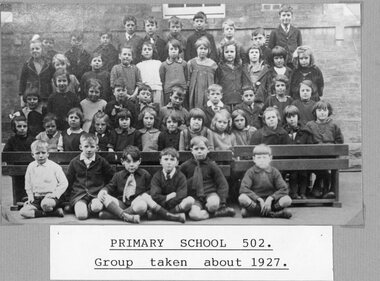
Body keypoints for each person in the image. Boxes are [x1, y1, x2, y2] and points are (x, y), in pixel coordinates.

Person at [97, 146, 185, 223]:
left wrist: (143, 195)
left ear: (139, 161)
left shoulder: (144, 174)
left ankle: (116, 215)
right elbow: (110, 187)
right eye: (128, 161)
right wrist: (103, 191)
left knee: (142, 205)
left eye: (134, 161)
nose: (131, 165)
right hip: (122, 203)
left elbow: (151, 190)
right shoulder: (118, 175)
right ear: (122, 161)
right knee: (104, 196)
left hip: (137, 203)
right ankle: (127, 216)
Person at [180, 136, 235, 220]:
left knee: (214, 204)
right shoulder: (185, 166)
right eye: (196, 149)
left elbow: (222, 183)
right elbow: (179, 181)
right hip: (194, 197)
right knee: (194, 215)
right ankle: (216, 213)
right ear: (191, 150)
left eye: (202, 149)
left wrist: (222, 201)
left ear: (208, 150)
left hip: (210, 194)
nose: (199, 151)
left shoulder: (211, 165)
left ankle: (215, 209)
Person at [66, 133, 114, 220]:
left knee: (97, 207)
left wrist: (105, 189)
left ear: (97, 147)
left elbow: (112, 178)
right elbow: (68, 180)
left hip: (96, 194)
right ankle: (80, 208)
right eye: (86, 146)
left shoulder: (101, 161)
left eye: (92, 147)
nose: (89, 149)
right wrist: (69, 199)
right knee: (81, 216)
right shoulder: (74, 162)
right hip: (79, 195)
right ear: (81, 147)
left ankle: (88, 208)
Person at [238, 144, 292, 218]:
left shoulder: (274, 171)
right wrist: (258, 199)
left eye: (264, 157)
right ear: (254, 159)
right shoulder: (251, 172)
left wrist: (271, 198)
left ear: (270, 158)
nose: (262, 160)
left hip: (271, 203)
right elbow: (243, 189)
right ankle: (272, 213)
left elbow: (284, 188)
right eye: (259, 158)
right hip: (256, 202)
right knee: (242, 198)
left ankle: (256, 212)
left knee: (287, 199)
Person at [305, 101, 344, 199]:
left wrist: (330, 147)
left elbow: (339, 141)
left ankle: (331, 190)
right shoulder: (310, 125)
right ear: (315, 112)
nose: (322, 112)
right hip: (314, 157)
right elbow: (307, 142)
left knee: (332, 167)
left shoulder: (334, 125)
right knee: (324, 171)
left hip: (330, 156)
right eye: (319, 110)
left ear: (329, 112)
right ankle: (321, 189)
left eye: (325, 110)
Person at [19, 140, 68, 219]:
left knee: (45, 204)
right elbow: (28, 184)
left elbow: (64, 183)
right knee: (23, 212)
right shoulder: (31, 166)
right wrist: (30, 196)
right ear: (32, 155)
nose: (41, 156)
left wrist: (55, 194)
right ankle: (54, 213)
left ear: (48, 153)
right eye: (37, 153)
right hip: (36, 198)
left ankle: (46, 209)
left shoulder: (54, 166)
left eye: (43, 152)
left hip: (50, 197)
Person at [150, 148, 195, 218]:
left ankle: (163, 214)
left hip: (174, 206)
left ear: (177, 162)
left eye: (172, 159)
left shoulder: (181, 176)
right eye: (166, 159)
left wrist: (166, 202)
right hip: (160, 205)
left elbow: (181, 195)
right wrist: (168, 196)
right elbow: (155, 195)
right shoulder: (157, 176)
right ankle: (170, 215)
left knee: (190, 200)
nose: (169, 162)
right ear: (160, 161)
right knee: (146, 197)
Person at [283, 105, 313, 199]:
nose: (291, 119)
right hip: (288, 161)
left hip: (303, 160)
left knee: (303, 172)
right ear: (285, 118)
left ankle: (303, 192)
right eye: (289, 117)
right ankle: (294, 193)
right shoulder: (283, 132)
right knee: (294, 173)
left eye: (294, 116)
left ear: (298, 117)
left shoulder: (305, 131)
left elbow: (310, 147)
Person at [215, 41, 250, 111]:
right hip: (225, 100)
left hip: (239, 100)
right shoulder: (220, 67)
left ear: (236, 53)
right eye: (227, 52)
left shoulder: (240, 67)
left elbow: (244, 82)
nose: (229, 54)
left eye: (232, 51)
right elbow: (217, 84)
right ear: (223, 53)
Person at [19, 38, 54, 106]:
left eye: (37, 49)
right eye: (32, 49)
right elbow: (22, 83)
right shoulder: (27, 64)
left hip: (46, 98)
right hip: (32, 98)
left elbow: (53, 80)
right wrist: (22, 99)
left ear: (42, 50)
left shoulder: (48, 64)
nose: (35, 51)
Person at [187, 37, 218, 108]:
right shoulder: (191, 63)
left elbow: (216, 80)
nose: (203, 51)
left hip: (208, 91)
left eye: (205, 49)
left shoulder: (213, 64)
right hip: (195, 92)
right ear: (196, 49)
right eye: (201, 48)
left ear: (209, 50)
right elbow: (188, 79)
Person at [159, 39, 188, 105]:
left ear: (179, 50)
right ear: (168, 51)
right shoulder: (164, 65)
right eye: (171, 49)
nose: (173, 51)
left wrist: (185, 88)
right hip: (169, 91)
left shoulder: (184, 63)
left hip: (182, 90)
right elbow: (162, 79)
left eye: (175, 49)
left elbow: (186, 77)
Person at [136, 41, 163, 105]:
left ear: (153, 51)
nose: (147, 51)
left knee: (157, 106)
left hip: (157, 88)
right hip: (145, 90)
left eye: (149, 49)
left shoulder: (158, 63)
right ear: (141, 52)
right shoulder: (138, 65)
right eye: (145, 49)